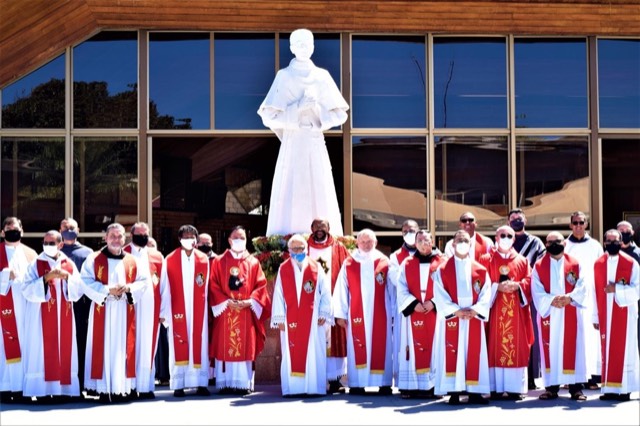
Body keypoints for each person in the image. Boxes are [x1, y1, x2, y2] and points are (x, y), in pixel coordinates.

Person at [258, 28, 349, 237]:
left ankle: (326, 236)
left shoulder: (321, 76)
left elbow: (340, 114)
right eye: (298, 44)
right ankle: (286, 238)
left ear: (313, 46)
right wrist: (298, 108)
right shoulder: (284, 77)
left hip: (315, 141)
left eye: (307, 44)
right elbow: (268, 116)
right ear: (291, 48)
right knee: (290, 189)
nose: (303, 48)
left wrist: (316, 112)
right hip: (293, 142)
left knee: (320, 188)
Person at [80, 223, 148, 403]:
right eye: (113, 236)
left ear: (124, 239)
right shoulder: (94, 259)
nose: (116, 240)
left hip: (125, 310)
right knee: (103, 347)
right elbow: (84, 282)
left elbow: (143, 281)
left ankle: (122, 387)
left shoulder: (133, 261)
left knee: (122, 347)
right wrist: (106, 290)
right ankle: (103, 389)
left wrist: (129, 288)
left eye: (119, 236)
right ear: (106, 237)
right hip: (103, 308)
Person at [20, 230, 84, 401]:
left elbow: (78, 289)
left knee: (64, 349)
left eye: (52, 243)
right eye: (46, 242)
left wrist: (67, 278)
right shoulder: (36, 263)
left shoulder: (68, 263)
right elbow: (26, 289)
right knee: (41, 350)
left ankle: (63, 390)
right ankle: (42, 390)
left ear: (60, 244)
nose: (48, 246)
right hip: (40, 317)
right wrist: (46, 278)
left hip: (64, 315)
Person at [209, 226, 271, 395]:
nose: (239, 240)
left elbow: (261, 285)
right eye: (236, 237)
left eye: (242, 237)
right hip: (225, 311)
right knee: (225, 344)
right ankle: (225, 383)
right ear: (229, 240)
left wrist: (249, 302)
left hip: (246, 312)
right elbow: (213, 285)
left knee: (244, 345)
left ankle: (243, 383)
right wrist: (226, 302)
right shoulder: (219, 261)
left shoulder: (253, 262)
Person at [433, 230, 492, 405]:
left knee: (474, 352)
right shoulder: (442, 269)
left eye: (465, 240)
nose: (462, 243)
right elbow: (439, 293)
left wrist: (475, 310)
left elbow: (486, 292)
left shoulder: (480, 269)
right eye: (459, 240)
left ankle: (475, 392)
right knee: (453, 352)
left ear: (471, 244)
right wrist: (455, 311)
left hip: (473, 317)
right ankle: (454, 391)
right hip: (453, 317)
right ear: (452, 244)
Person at [333, 229, 393, 395]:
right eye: (363, 242)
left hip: (382, 312)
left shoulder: (384, 261)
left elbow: (392, 289)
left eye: (369, 242)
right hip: (356, 313)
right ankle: (357, 383)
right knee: (357, 345)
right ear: (357, 243)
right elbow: (342, 289)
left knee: (382, 345)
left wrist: (394, 313)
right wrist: (340, 314)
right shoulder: (349, 262)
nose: (366, 245)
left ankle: (384, 383)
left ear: (375, 243)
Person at [531, 231, 589, 401]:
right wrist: (552, 300)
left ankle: (576, 388)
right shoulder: (539, 265)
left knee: (574, 347)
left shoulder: (575, 264)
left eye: (557, 241)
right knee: (551, 349)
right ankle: (551, 388)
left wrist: (569, 298)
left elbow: (583, 285)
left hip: (570, 310)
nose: (553, 244)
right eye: (549, 242)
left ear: (564, 243)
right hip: (550, 312)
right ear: (545, 245)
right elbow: (536, 289)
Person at [272, 234, 331, 397]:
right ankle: (293, 388)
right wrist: (279, 319)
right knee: (291, 353)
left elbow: (325, 292)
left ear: (306, 249)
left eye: (301, 248)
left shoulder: (316, 268)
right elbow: (278, 294)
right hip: (290, 320)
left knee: (314, 352)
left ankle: (314, 388)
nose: (298, 251)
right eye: (294, 249)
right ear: (288, 250)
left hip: (313, 320)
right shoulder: (283, 268)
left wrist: (324, 312)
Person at [479, 225, 534, 401]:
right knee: (494, 344)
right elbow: (479, 284)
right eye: (502, 235)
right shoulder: (486, 259)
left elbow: (529, 281)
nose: (506, 238)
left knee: (515, 344)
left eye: (509, 236)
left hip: (516, 313)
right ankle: (494, 387)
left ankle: (514, 388)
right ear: (496, 237)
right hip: (494, 312)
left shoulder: (522, 261)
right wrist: (497, 287)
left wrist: (517, 286)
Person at [159, 225, 210, 397]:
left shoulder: (204, 259)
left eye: (192, 236)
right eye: (186, 236)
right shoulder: (170, 259)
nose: (190, 239)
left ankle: (201, 383)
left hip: (198, 310)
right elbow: (165, 287)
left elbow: (207, 286)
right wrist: (163, 313)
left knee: (199, 342)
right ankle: (179, 384)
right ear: (180, 239)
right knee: (178, 342)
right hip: (177, 309)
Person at [396, 230, 445, 399]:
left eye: (426, 239)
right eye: (420, 240)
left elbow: (448, 288)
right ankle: (410, 386)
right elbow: (400, 287)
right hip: (414, 312)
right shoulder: (407, 263)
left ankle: (433, 386)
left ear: (432, 241)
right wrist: (413, 304)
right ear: (415, 243)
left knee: (435, 347)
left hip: (434, 313)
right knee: (411, 347)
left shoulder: (442, 262)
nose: (424, 243)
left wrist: (434, 303)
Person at [593, 229, 639, 402]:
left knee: (625, 351)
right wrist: (595, 317)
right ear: (604, 242)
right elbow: (594, 291)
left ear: (621, 242)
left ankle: (625, 389)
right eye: (609, 241)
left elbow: (638, 288)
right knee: (606, 351)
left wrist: (617, 289)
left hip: (625, 315)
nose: (613, 244)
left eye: (616, 241)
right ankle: (608, 389)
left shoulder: (631, 263)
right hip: (605, 315)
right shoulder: (598, 264)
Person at [306, 217, 349, 393]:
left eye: (323, 226)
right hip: (310, 303)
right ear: (311, 228)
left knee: (335, 340)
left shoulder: (339, 248)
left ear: (328, 228)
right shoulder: (304, 248)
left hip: (333, 299)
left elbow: (347, 271)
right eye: (316, 226)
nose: (319, 229)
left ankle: (335, 380)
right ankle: (315, 377)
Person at [123, 222, 164, 399]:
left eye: (145, 233)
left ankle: (145, 386)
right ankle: (129, 385)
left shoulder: (156, 256)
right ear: (132, 235)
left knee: (148, 346)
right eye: (139, 234)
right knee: (129, 345)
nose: (142, 236)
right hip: (128, 308)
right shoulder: (123, 253)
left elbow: (164, 286)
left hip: (150, 310)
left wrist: (163, 311)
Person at [507, 208, 546, 390]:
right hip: (506, 295)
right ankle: (510, 375)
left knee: (530, 334)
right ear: (508, 223)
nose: (516, 221)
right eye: (513, 219)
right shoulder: (505, 240)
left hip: (528, 293)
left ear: (526, 221)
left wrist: (523, 283)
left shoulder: (536, 242)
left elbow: (540, 267)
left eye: (519, 218)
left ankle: (530, 377)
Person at [564, 211, 603, 390]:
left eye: (581, 222)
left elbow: (601, 270)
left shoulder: (595, 245)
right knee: (572, 336)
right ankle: (571, 376)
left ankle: (593, 376)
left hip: (591, 297)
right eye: (575, 223)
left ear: (586, 224)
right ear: (570, 224)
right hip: (570, 297)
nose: (578, 226)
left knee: (591, 336)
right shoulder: (564, 245)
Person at [0, 217, 37, 404]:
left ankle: (24, 387)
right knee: (3, 347)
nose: (12, 231)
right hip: (3, 310)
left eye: (16, 229)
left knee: (26, 345)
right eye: (8, 228)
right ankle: (4, 387)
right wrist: (6, 274)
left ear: (22, 231)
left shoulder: (31, 254)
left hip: (26, 309)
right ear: (2, 232)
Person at [59, 217, 93, 395]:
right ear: (59, 230)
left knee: (80, 342)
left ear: (78, 230)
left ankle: (80, 382)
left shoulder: (88, 253)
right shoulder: (54, 251)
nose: (68, 230)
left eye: (71, 227)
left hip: (81, 306)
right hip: (57, 306)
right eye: (65, 227)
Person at [388, 219, 420, 385]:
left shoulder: (430, 252)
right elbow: (395, 279)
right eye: (406, 231)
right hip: (406, 308)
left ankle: (426, 383)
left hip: (425, 307)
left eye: (412, 230)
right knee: (404, 345)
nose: (409, 234)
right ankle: (405, 383)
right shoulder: (395, 257)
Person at [196, 232, 217, 386]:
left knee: (214, 339)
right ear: (196, 244)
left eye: (208, 243)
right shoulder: (193, 260)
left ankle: (213, 373)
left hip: (215, 304)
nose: (206, 246)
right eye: (202, 243)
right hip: (198, 304)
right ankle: (200, 373)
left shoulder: (218, 260)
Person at [617, 221, 640, 353]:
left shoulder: (638, 253)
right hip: (616, 306)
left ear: (632, 233)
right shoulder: (611, 253)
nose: (625, 234)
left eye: (627, 231)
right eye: (621, 231)